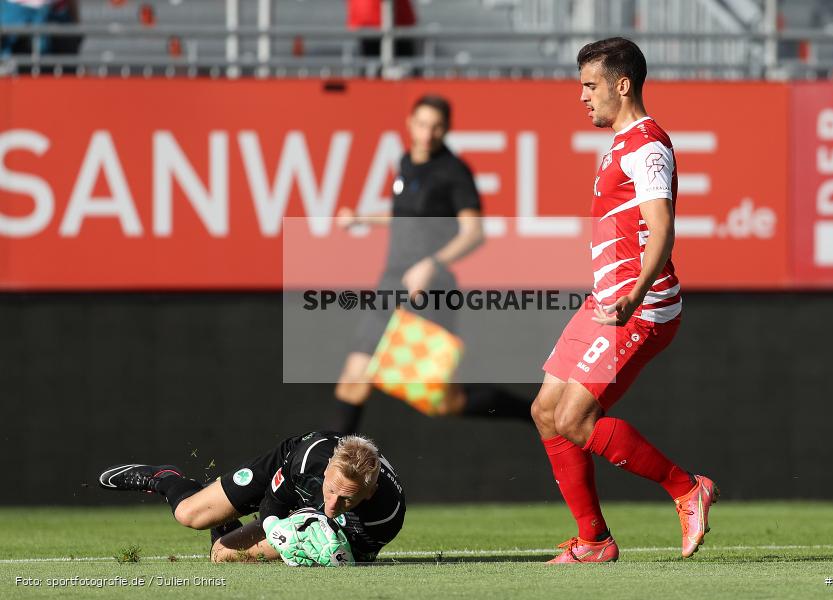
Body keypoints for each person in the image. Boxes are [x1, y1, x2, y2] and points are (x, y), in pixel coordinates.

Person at [530, 38, 718, 564]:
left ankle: (686, 488)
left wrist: (634, 295)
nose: (582, 96)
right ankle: (593, 541)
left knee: (574, 419)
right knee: (546, 411)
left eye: (590, 86)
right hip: (605, 302)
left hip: (643, 303)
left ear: (622, 84)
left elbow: (662, 230)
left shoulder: (647, 145)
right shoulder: (618, 143)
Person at [332, 94, 532, 435]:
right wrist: (361, 218)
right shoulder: (406, 161)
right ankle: (327, 476)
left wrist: (432, 263)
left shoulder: (453, 172)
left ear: (447, 129)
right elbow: (403, 217)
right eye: (422, 124)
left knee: (442, 401)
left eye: (436, 126)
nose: (428, 133)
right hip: (390, 285)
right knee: (353, 381)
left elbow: (475, 233)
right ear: (410, 123)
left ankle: (534, 412)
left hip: (428, 292)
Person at [99, 432, 404, 563]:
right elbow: (274, 499)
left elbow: (347, 556)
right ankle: (166, 479)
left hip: (319, 517)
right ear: (326, 471)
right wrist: (273, 527)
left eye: (347, 500)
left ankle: (225, 518)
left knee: (221, 554)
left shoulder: (384, 517)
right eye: (332, 490)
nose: (333, 504)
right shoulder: (306, 460)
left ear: (370, 492)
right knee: (189, 515)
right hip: (285, 473)